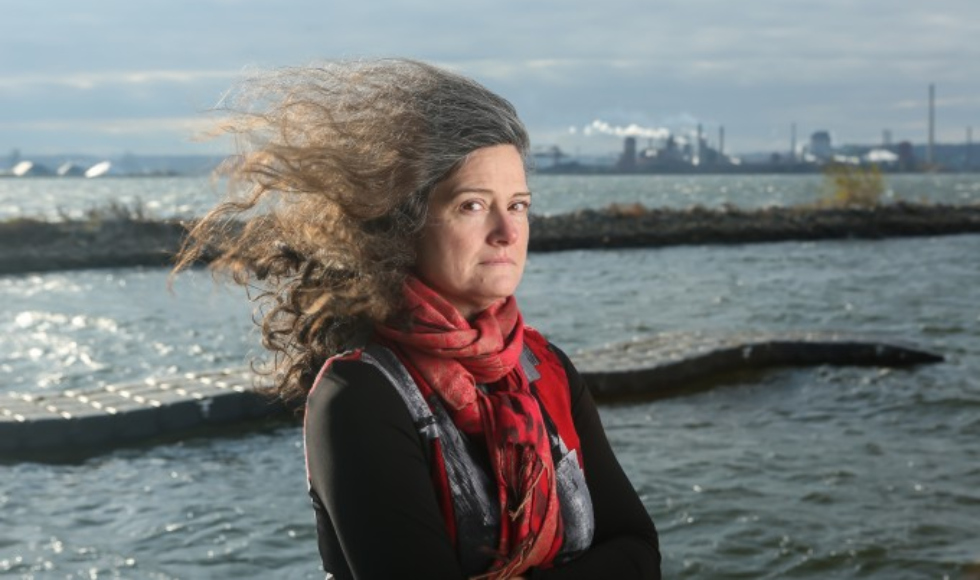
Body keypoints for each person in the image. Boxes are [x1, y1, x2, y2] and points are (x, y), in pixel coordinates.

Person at [175, 59, 661, 579]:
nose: (506, 232)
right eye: (473, 205)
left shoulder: (544, 367)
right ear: (402, 224)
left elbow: (639, 549)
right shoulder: (358, 395)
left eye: (518, 205)